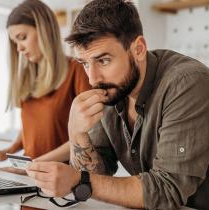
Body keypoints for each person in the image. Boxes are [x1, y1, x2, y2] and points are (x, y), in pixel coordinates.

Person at [26, 0, 209, 209]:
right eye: (85, 63)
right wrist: (76, 133)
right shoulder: (113, 90)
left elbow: (167, 191)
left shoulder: (186, 84)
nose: (93, 79)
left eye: (103, 60)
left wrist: (79, 180)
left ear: (138, 49)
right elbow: (98, 172)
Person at [0, 0, 90, 168]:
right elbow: (32, 128)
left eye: (22, 38)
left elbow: (87, 138)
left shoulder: (77, 71)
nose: (19, 48)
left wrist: (34, 165)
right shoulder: (30, 77)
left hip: (61, 178)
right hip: (30, 173)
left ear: (45, 31)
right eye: (15, 42)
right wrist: (8, 151)